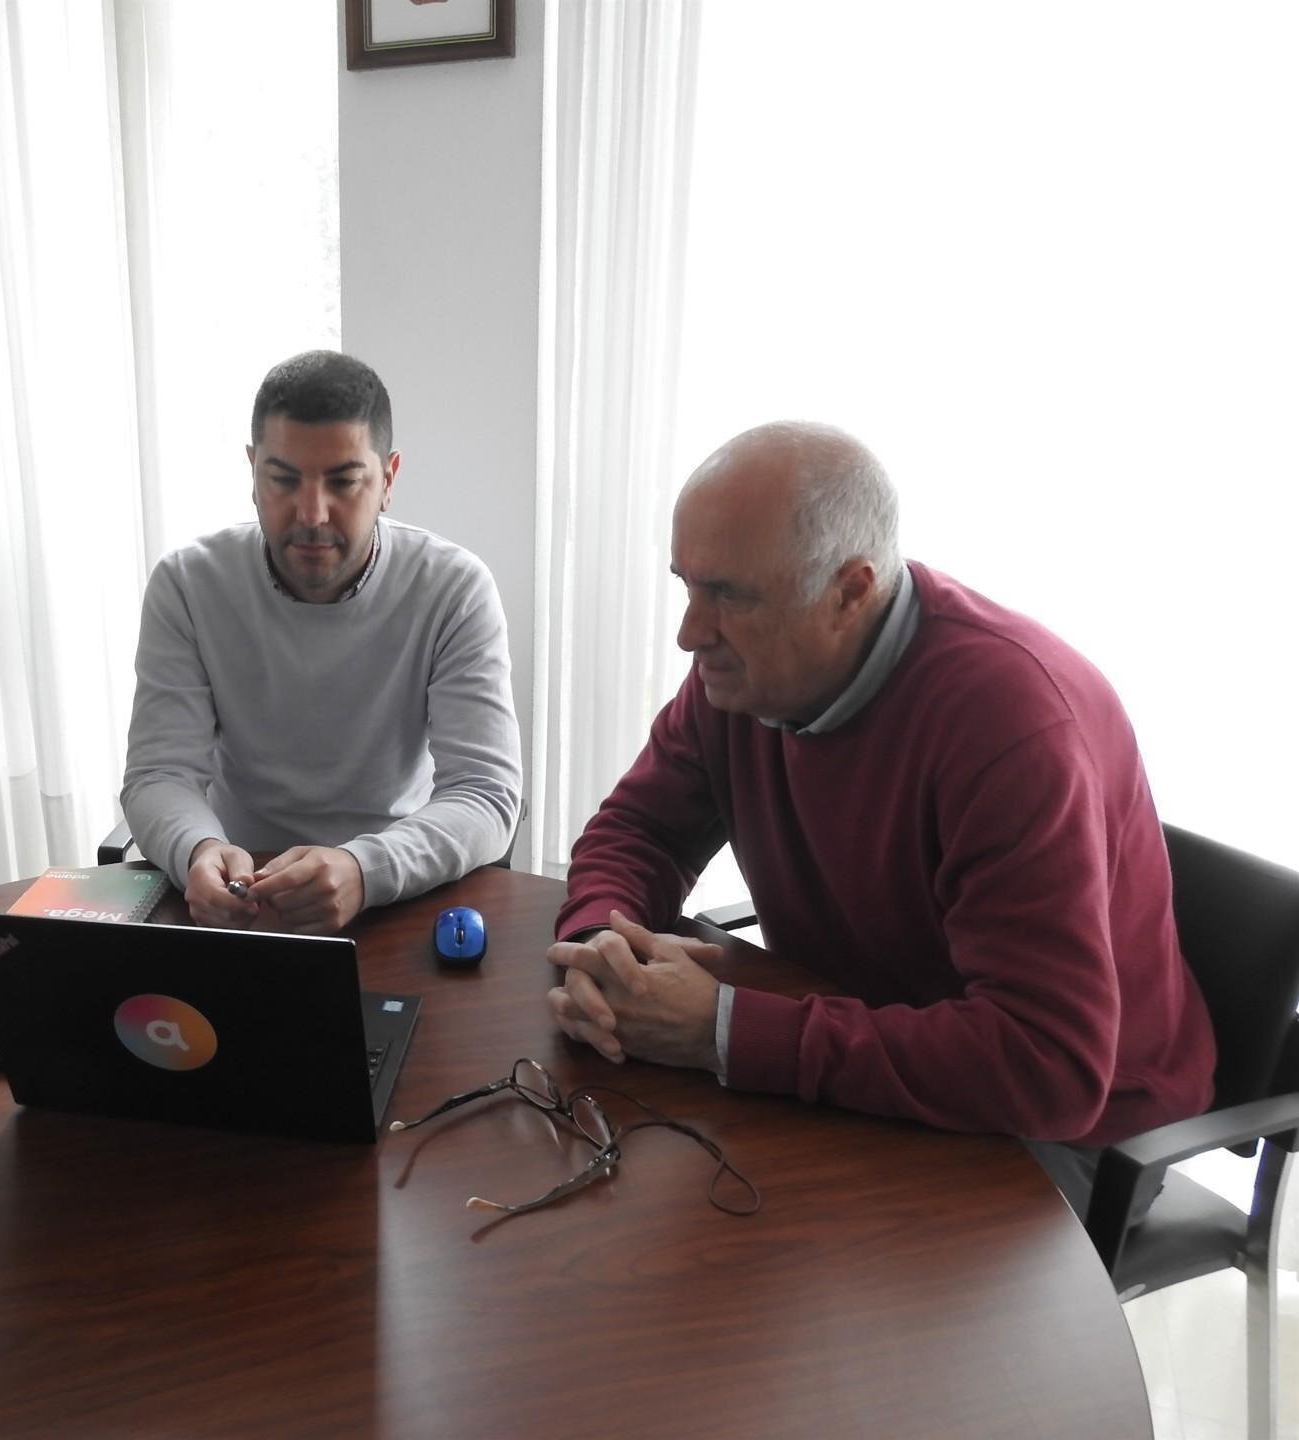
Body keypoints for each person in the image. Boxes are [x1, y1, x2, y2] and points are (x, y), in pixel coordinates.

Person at [547, 420, 1215, 1215]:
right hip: (869, 1044)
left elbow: (1049, 1067)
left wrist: (722, 1030)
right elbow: (640, 831)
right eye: (686, 585)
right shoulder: (749, 673)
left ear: (851, 591)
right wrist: (605, 949)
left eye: (729, 595)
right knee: (638, 1212)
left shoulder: (1012, 730)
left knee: (733, 1255)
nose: (690, 633)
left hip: (1063, 1133)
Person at [121, 350, 522, 935]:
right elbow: (159, 773)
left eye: (344, 481)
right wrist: (197, 848)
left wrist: (365, 867)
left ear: (388, 479)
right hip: (241, 893)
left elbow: (485, 793)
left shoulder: (453, 588)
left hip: (394, 893)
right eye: (283, 479)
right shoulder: (187, 584)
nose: (311, 514)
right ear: (252, 471)